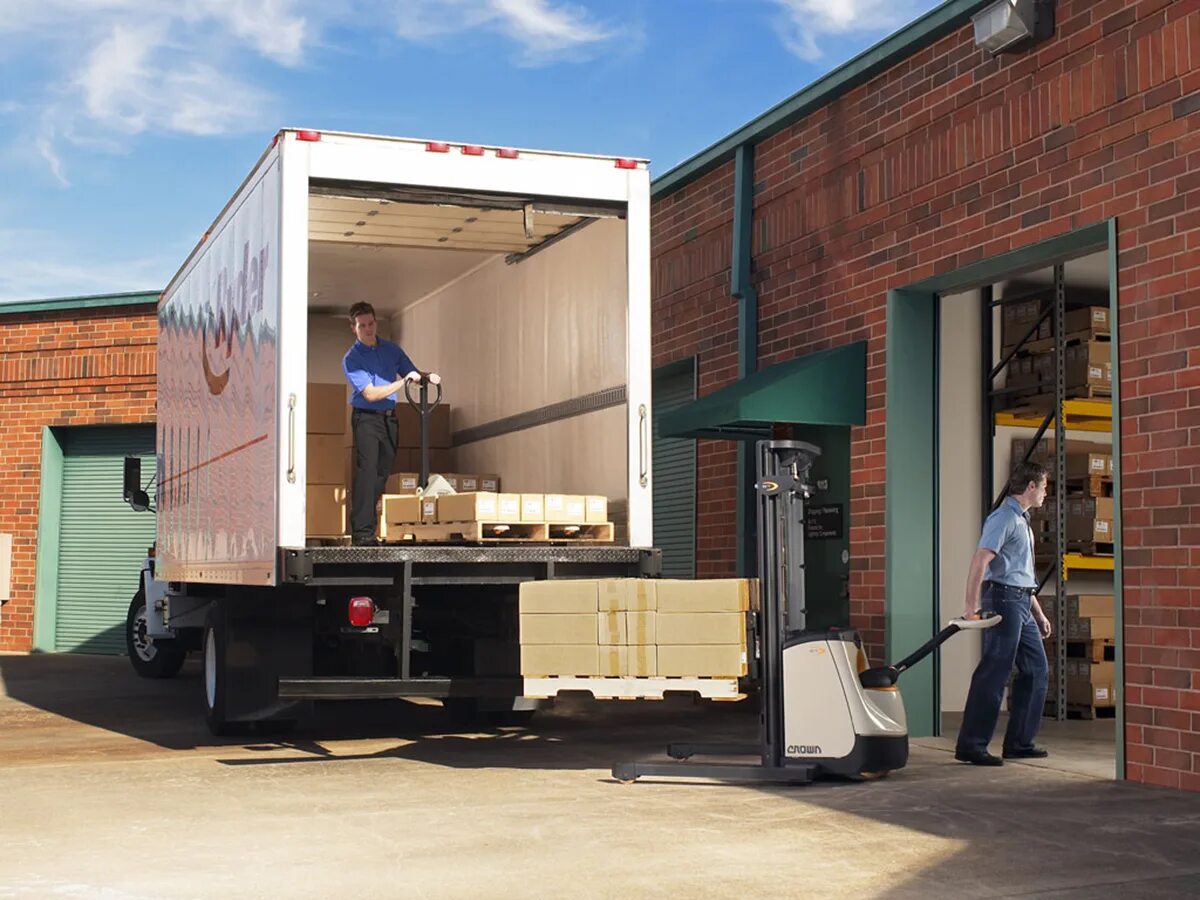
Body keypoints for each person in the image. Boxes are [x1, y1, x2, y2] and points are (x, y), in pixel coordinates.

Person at [954, 460, 1053, 766]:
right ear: (1032, 486)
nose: (1046, 494)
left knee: (1037, 670)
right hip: (1003, 601)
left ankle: (1020, 742)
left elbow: (1020, 573)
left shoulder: (1022, 520)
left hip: (1021, 601)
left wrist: (1037, 612)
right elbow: (980, 561)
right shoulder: (1004, 518)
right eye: (1045, 487)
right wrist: (971, 608)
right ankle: (972, 745)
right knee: (995, 672)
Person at [343, 301, 420, 546]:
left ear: (376, 322)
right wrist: (403, 382)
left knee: (382, 473)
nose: (368, 329)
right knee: (368, 472)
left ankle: (369, 525)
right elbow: (371, 394)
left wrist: (423, 378)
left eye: (371, 323)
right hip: (366, 418)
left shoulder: (391, 350)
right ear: (353, 328)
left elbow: (413, 373)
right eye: (362, 325)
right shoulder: (352, 359)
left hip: (389, 419)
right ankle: (362, 533)